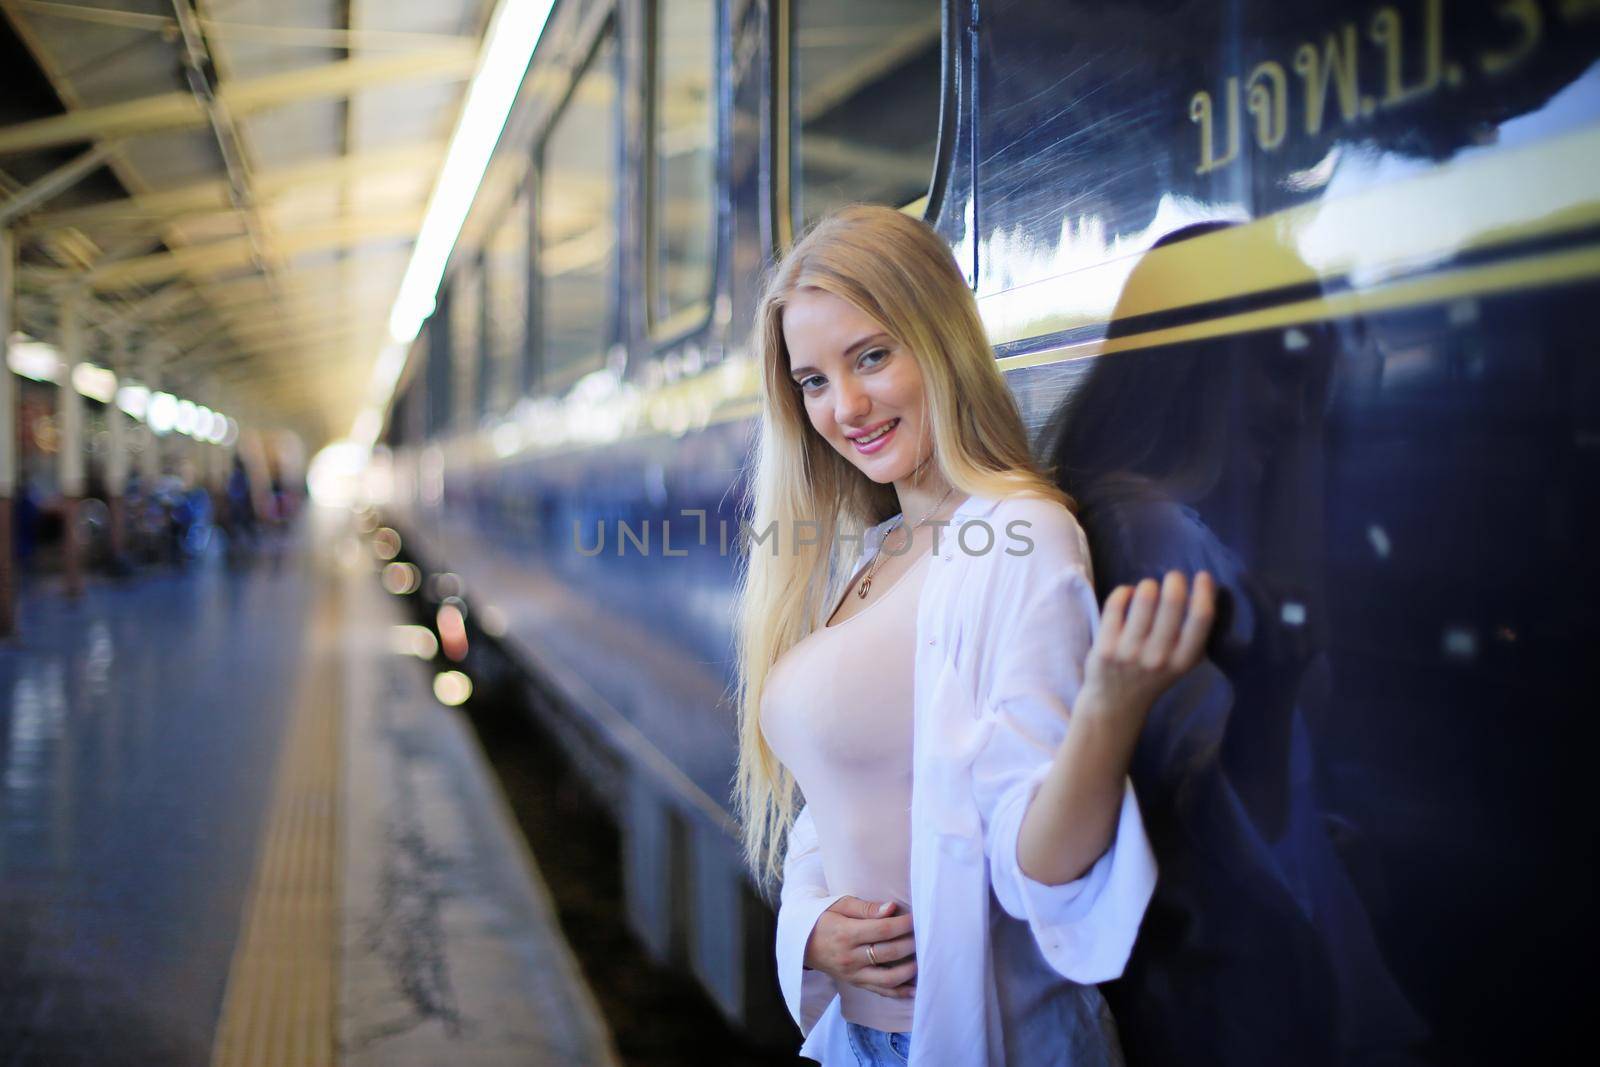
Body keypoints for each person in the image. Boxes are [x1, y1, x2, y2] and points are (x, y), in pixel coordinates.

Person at [731, 204, 1216, 1066]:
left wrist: (1108, 708)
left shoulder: (1019, 535)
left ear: (941, 340)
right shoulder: (876, 551)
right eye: (811, 380)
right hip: (860, 1041)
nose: (844, 406)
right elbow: (838, 796)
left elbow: (1045, 869)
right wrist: (808, 928)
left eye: (871, 355)